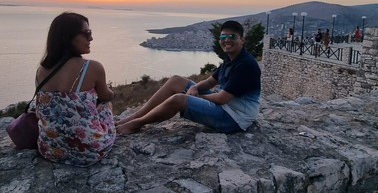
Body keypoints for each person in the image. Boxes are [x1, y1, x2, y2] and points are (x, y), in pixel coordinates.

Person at [116, 20, 261, 134]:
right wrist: (195, 87)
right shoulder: (231, 59)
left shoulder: (245, 65)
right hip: (224, 107)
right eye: (223, 36)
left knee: (179, 99)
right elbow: (211, 81)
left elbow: (222, 98)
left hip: (234, 118)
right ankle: (133, 117)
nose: (227, 40)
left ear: (242, 40)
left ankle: (136, 124)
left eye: (232, 36)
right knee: (176, 80)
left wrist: (194, 97)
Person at [35, 12, 115, 167]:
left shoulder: (41, 71)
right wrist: (112, 94)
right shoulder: (91, 67)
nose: (91, 38)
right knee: (104, 106)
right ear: (68, 37)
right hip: (90, 152)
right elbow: (106, 96)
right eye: (87, 33)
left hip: (49, 150)